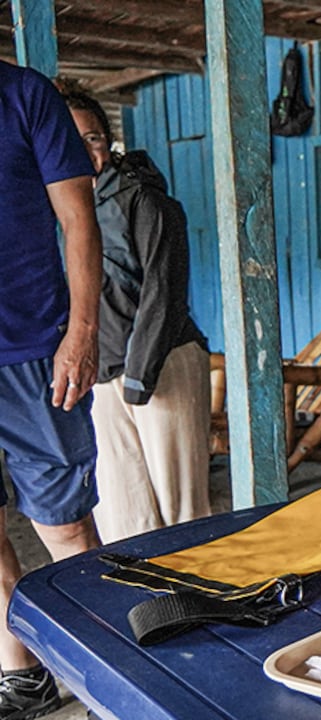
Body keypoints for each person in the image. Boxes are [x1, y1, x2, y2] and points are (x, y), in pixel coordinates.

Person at [62, 89, 212, 544]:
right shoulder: (64, 210)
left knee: (181, 508)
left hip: (162, 364)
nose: (87, 152)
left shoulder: (142, 200)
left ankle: (202, 605)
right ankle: (148, 610)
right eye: (71, 140)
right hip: (102, 373)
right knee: (123, 510)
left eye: (93, 138)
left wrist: (139, 376)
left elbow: (162, 294)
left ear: (109, 141)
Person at [0, 60, 103, 719]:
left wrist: (82, 332)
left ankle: (101, 672)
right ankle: (23, 673)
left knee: (64, 527)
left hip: (34, 350)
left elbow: (79, 222)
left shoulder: (25, 94)